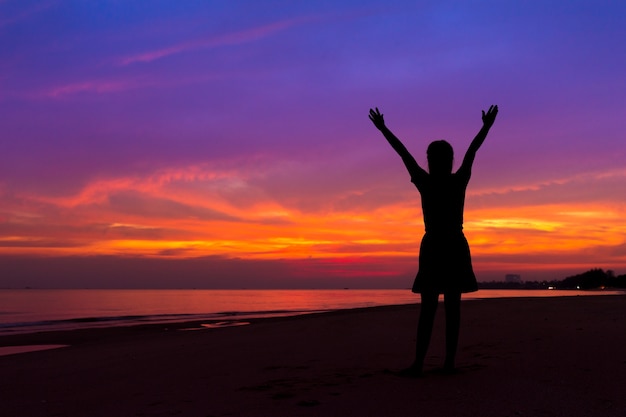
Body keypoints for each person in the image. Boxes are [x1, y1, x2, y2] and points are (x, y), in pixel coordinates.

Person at [368, 104, 498, 376]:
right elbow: (472, 151)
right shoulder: (455, 180)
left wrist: (383, 129)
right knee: (451, 308)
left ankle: (423, 364)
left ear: (430, 160)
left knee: (430, 308)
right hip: (451, 245)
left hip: (438, 245)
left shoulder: (428, 181)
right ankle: (445, 363)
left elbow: (403, 153)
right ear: (450, 160)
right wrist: (485, 126)